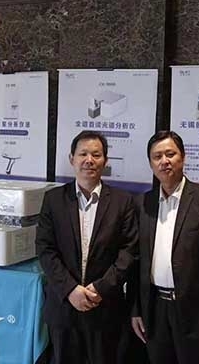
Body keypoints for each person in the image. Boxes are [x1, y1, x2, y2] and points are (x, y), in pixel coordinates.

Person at [130, 130, 199, 364]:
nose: (164, 161)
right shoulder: (142, 203)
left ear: (183, 157)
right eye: (157, 156)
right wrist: (136, 310)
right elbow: (136, 262)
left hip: (196, 311)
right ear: (150, 164)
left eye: (170, 154)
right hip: (154, 310)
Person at [36, 130, 138, 364]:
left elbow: (129, 252)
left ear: (105, 161)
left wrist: (100, 288)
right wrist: (71, 289)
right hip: (64, 306)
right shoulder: (53, 199)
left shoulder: (123, 201)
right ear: (71, 158)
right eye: (83, 154)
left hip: (105, 308)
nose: (89, 160)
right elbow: (45, 248)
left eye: (96, 155)